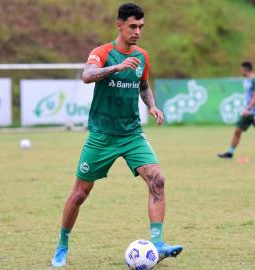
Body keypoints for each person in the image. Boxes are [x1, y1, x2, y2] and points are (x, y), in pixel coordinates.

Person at [51, 3, 183, 267]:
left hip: (132, 134)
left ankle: (157, 243)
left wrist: (152, 105)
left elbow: (143, 86)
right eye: (132, 26)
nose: (137, 32)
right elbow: (87, 76)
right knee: (79, 194)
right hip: (102, 136)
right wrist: (116, 67)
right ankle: (62, 245)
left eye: (141, 27)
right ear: (119, 25)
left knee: (157, 180)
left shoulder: (143, 57)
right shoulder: (102, 53)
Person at [218, 62, 255, 162]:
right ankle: (230, 153)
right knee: (237, 131)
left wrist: (248, 108)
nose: (240, 71)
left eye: (241, 69)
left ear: (246, 70)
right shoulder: (247, 80)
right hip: (248, 113)